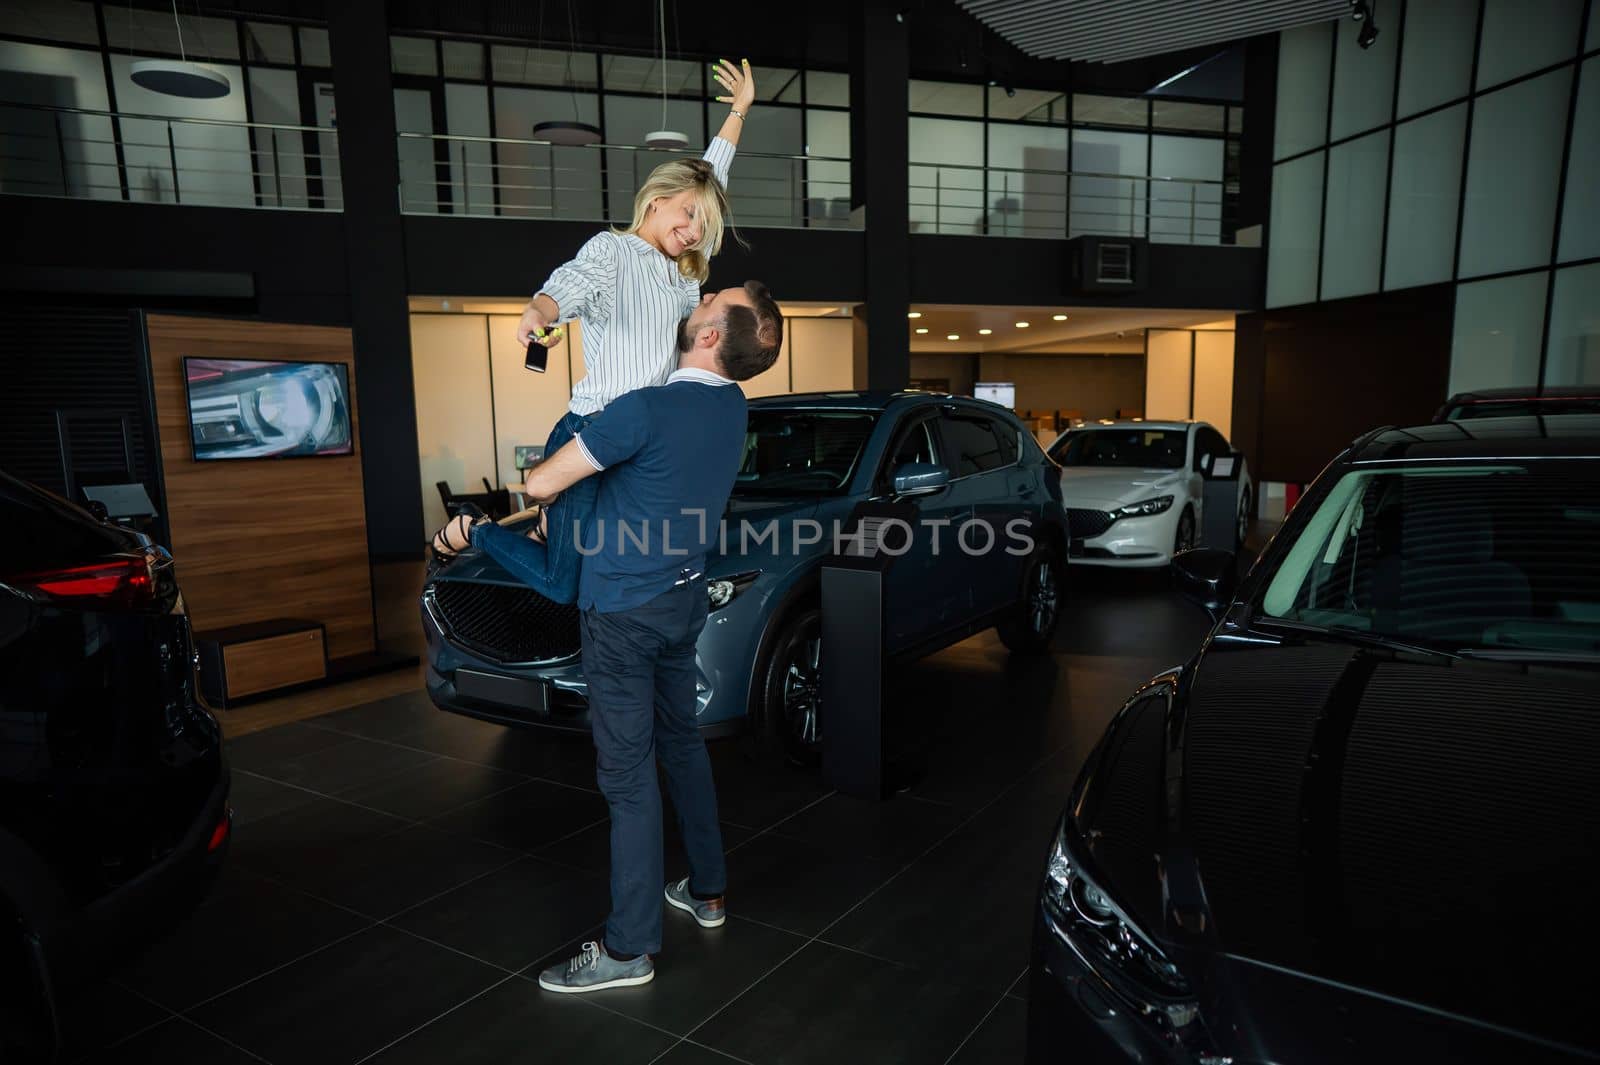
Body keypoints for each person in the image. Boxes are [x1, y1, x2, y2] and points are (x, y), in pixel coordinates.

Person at [446, 283, 784, 992]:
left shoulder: (645, 410)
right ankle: (709, 889)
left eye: (709, 299)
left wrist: (544, 495)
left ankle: (628, 948)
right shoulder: (731, 408)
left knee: (628, 780)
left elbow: (540, 483)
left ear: (712, 336)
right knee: (683, 746)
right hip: (682, 601)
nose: (695, 299)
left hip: (625, 616)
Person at [429, 59, 759, 605]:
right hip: (594, 429)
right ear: (655, 200)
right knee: (565, 584)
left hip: (642, 438)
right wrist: (540, 311)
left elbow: (709, 178)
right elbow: (567, 285)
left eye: (703, 223)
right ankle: (473, 528)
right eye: (685, 215)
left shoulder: (682, 268)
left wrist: (739, 113)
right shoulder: (613, 252)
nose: (693, 230)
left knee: (608, 561)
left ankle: (547, 530)